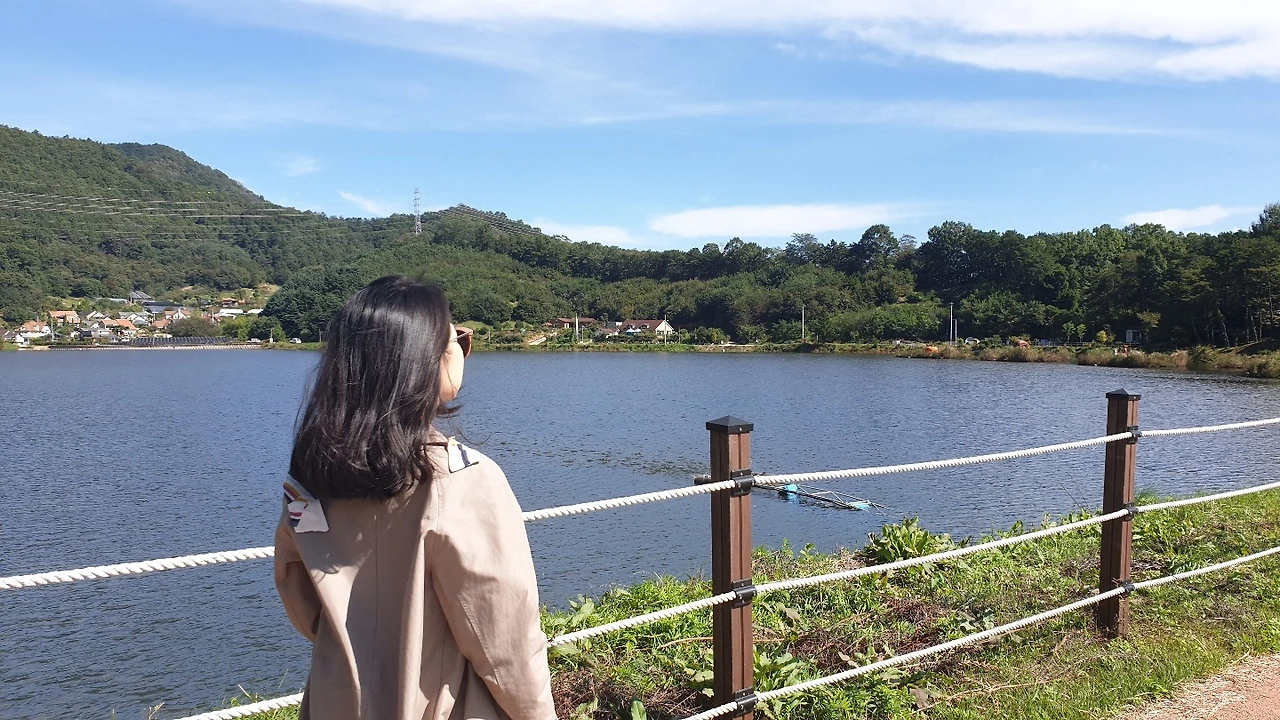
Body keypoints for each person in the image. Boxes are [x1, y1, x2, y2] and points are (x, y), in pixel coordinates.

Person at [273, 275, 556, 720]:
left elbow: (303, 602)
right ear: (426, 360)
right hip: (439, 704)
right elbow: (504, 642)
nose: (464, 351)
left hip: (335, 699)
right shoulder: (463, 478)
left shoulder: (309, 477)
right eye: (459, 341)